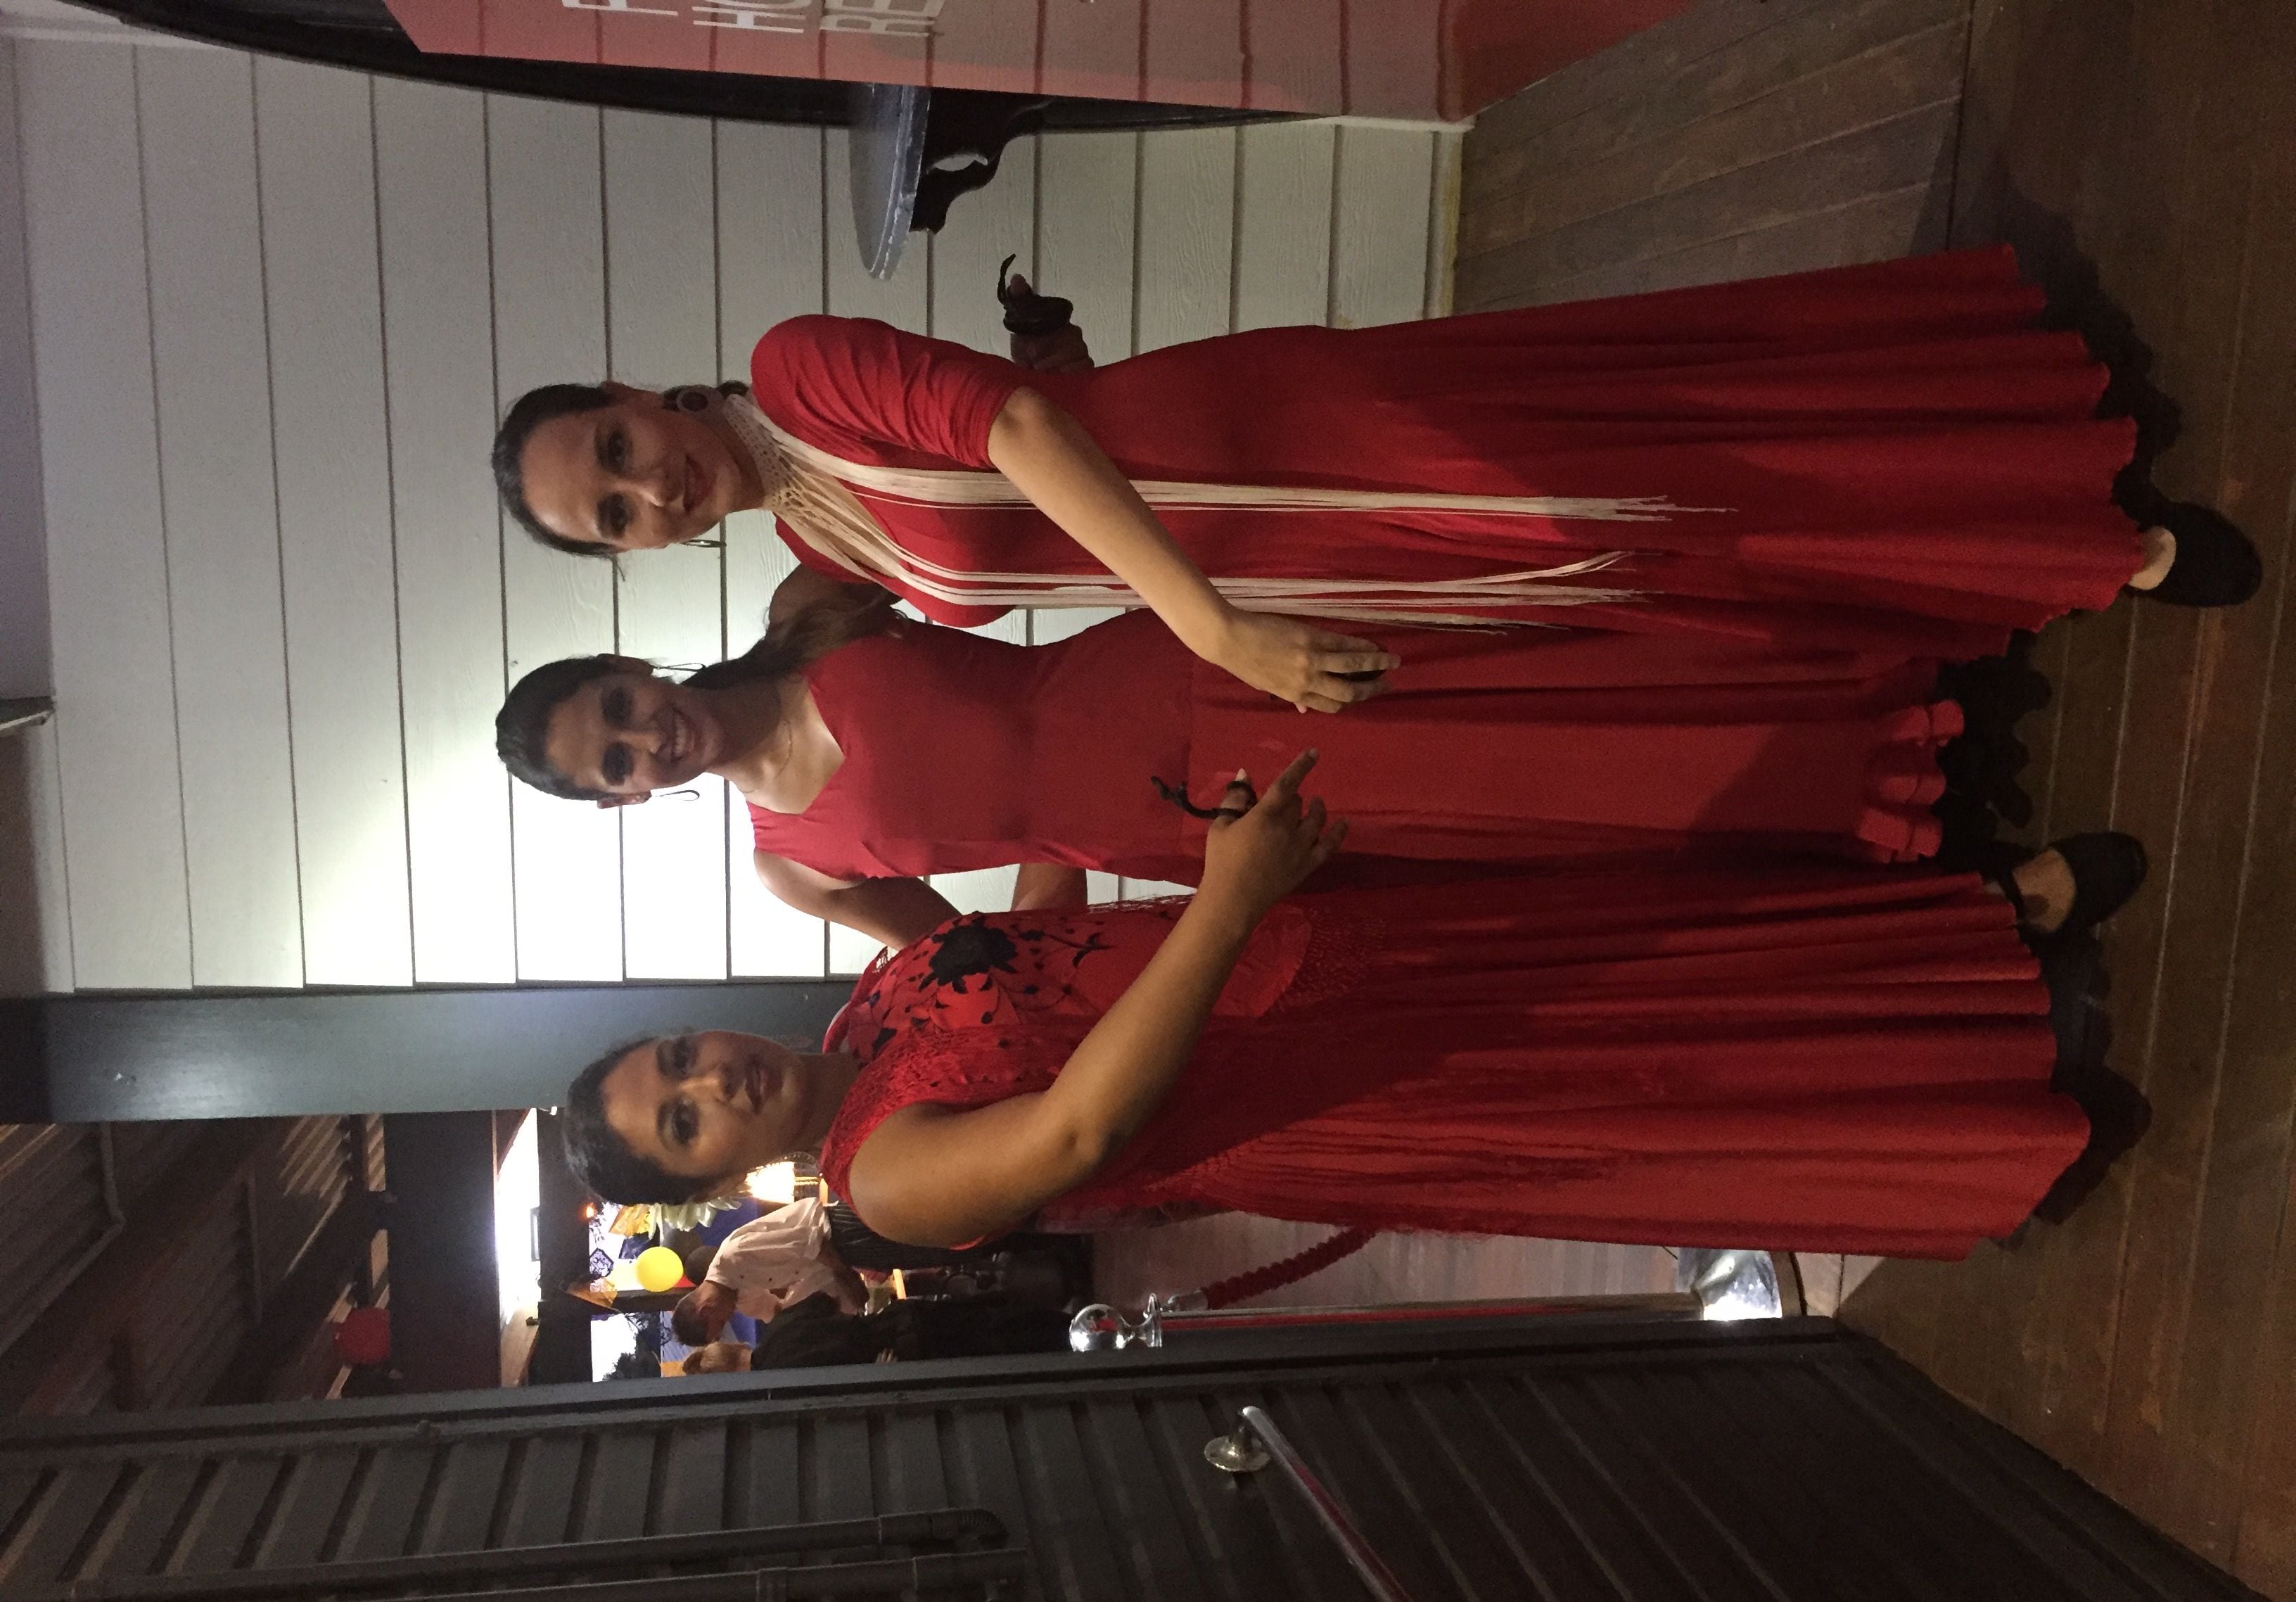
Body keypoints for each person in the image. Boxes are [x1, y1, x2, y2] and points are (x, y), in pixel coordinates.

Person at [492, 248, 2259, 714]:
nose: (650, 489)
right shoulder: (817, 544)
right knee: (1626, 569)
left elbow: (1017, 441)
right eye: (615, 516)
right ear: (637, 556)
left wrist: (1216, 631)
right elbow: (1033, 454)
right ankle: (1985, 548)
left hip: (1285, 451)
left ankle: (2067, 521)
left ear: (641, 392)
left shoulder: (797, 367)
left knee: (1622, 485)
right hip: (1281, 559)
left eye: (618, 450)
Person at [559, 751, 2148, 1261]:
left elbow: (1037, 932)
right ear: (716, 1178)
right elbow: (1081, 1126)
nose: (713, 1081)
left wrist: (1062, 798)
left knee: (1640, 950)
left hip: (1314, 949)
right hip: (1317, 1077)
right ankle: (1982, 1099)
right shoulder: (880, 1178)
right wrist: (1228, 898)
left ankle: (1976, 932)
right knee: (1642, 1078)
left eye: (678, 1058)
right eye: (683, 1120)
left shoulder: (866, 1013)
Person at [498, 594, 1974, 948]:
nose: (645, 737)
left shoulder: (807, 607)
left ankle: (1859, 715)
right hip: (1187, 822)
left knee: (1508, 702)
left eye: (617, 707)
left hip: (1180, 670)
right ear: (624, 800)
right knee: (1504, 804)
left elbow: (974, 508)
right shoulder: (793, 869)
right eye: (615, 763)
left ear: (629, 662)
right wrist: (1084, 855)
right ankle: (1838, 809)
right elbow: (1001, 960)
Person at [675, 1292, 1072, 1371]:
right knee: (992, 1313)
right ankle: (1070, 1317)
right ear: (736, 1346)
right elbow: (826, 1302)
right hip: (897, 1318)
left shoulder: (783, 1377)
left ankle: (1078, 1342)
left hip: (904, 1354)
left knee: (1002, 1349)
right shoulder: (779, 1325)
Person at [667, 1195, 866, 1345]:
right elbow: (779, 1314)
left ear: (705, 1310)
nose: (729, 1318)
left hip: (836, 1229)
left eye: (720, 1322)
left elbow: (815, 1242)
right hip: (838, 1258)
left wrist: (851, 1282)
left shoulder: (735, 1256)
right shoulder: (740, 1298)